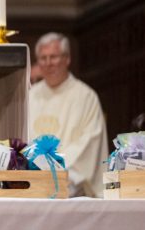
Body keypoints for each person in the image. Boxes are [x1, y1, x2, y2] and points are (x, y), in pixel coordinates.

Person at [28, 32, 108, 197]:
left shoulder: (86, 97)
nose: (48, 63)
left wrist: (54, 170)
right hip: (33, 183)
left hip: (71, 185)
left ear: (67, 59)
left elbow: (89, 143)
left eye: (53, 57)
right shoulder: (29, 97)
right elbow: (22, 140)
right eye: (43, 58)